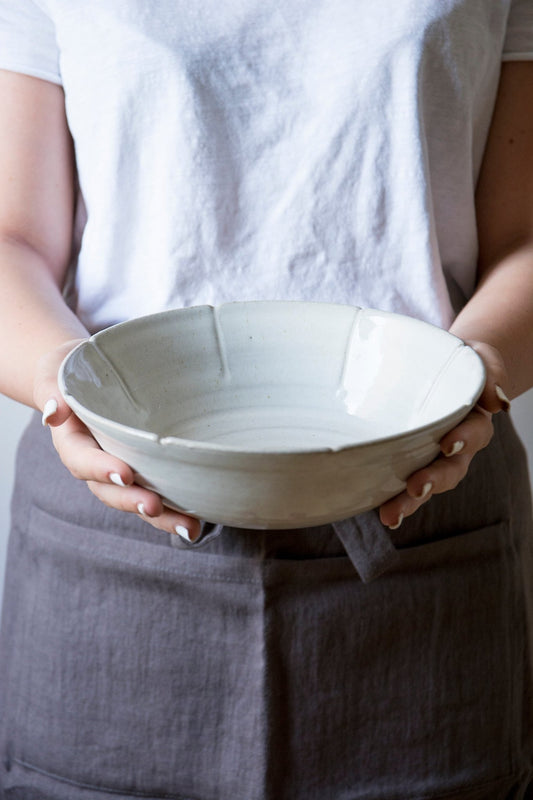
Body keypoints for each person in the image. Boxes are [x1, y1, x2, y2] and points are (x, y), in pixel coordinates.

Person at [0, 1, 532, 798]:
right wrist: (60, 386)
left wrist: (478, 372)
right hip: (116, 507)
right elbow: (13, 236)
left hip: (425, 496)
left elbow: (521, 234)